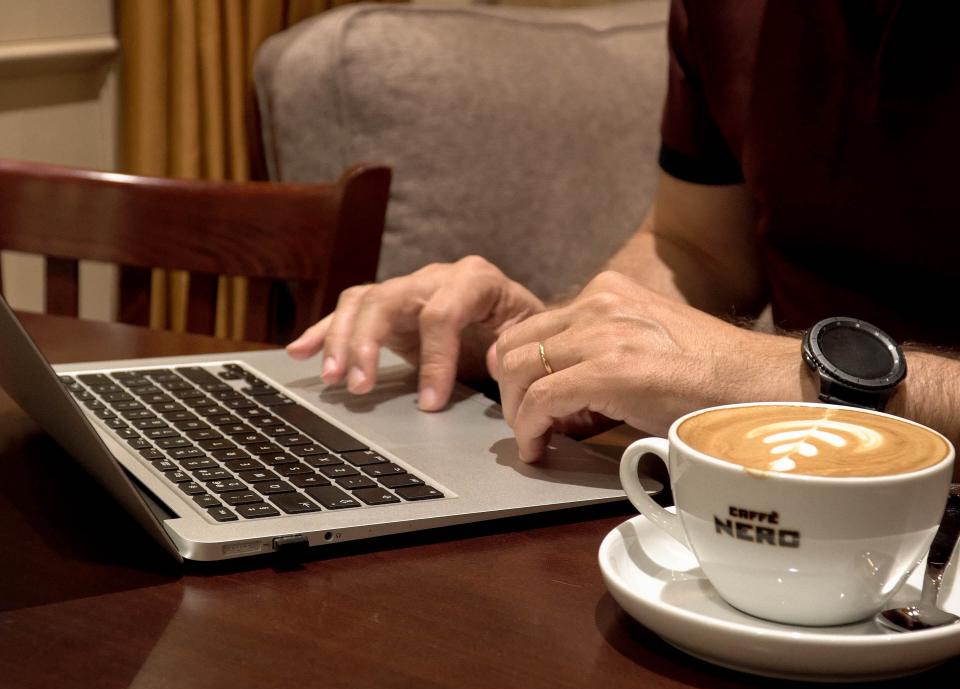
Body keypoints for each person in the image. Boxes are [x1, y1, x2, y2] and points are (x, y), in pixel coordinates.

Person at [286, 1, 960, 464]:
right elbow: (694, 247)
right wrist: (540, 344)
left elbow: (748, 369)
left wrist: (778, 378)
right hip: (793, 490)